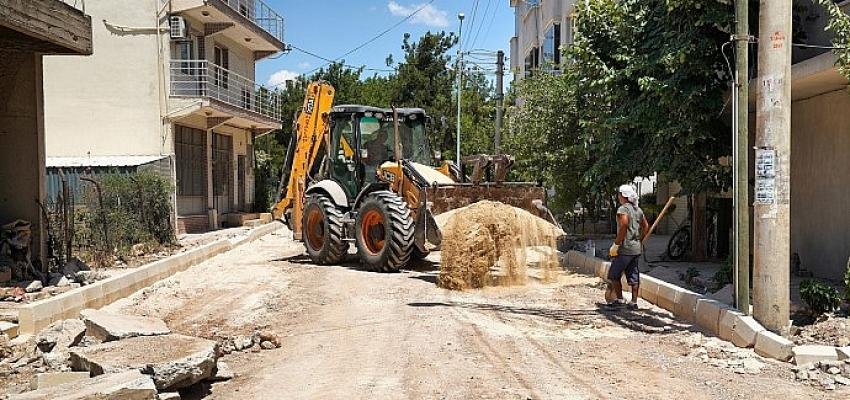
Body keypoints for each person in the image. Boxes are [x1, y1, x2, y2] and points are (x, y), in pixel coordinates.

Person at [605, 184, 650, 309]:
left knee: (614, 274)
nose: (618, 197)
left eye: (619, 194)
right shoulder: (638, 210)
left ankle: (619, 300)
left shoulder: (623, 209)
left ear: (623, 196)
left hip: (625, 249)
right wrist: (640, 240)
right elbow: (646, 227)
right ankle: (634, 302)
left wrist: (616, 244)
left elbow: (624, 226)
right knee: (633, 275)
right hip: (636, 249)